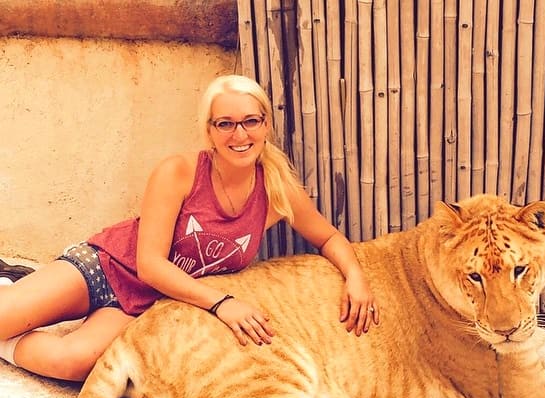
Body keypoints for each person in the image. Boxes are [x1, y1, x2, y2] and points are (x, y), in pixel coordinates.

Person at [0, 74, 379, 382]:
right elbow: (148, 265)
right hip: (105, 268)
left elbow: (328, 237)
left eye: (250, 121)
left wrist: (355, 276)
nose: (240, 135)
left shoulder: (277, 189)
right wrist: (222, 303)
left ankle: (7, 330)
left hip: (145, 306)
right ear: (210, 131)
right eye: (225, 124)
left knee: (74, 364)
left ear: (266, 125)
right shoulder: (179, 172)